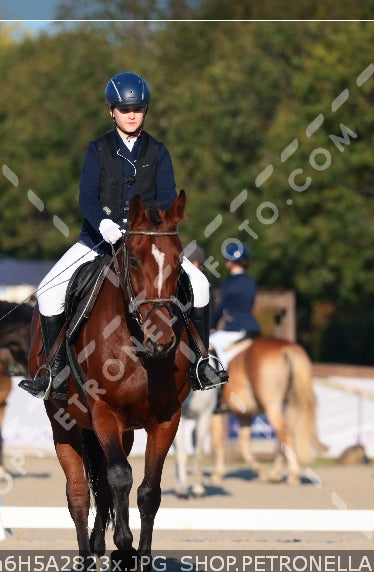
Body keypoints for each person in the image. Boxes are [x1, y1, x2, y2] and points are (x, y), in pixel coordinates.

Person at [18, 72, 228, 400]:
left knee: (200, 286)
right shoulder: (98, 149)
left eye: (138, 108)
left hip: (146, 242)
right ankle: (54, 373)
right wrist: (102, 223)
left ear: (145, 111)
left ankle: (201, 363)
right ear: (111, 111)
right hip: (98, 239)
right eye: (124, 108)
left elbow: (167, 196)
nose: (131, 114)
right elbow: (86, 195)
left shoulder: (158, 151)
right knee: (47, 292)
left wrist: (149, 228)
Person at [209, 241, 261, 369]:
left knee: (211, 341)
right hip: (253, 328)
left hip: (234, 328)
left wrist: (211, 326)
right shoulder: (252, 282)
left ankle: (223, 375)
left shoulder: (227, 283)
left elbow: (221, 309)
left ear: (230, 262)